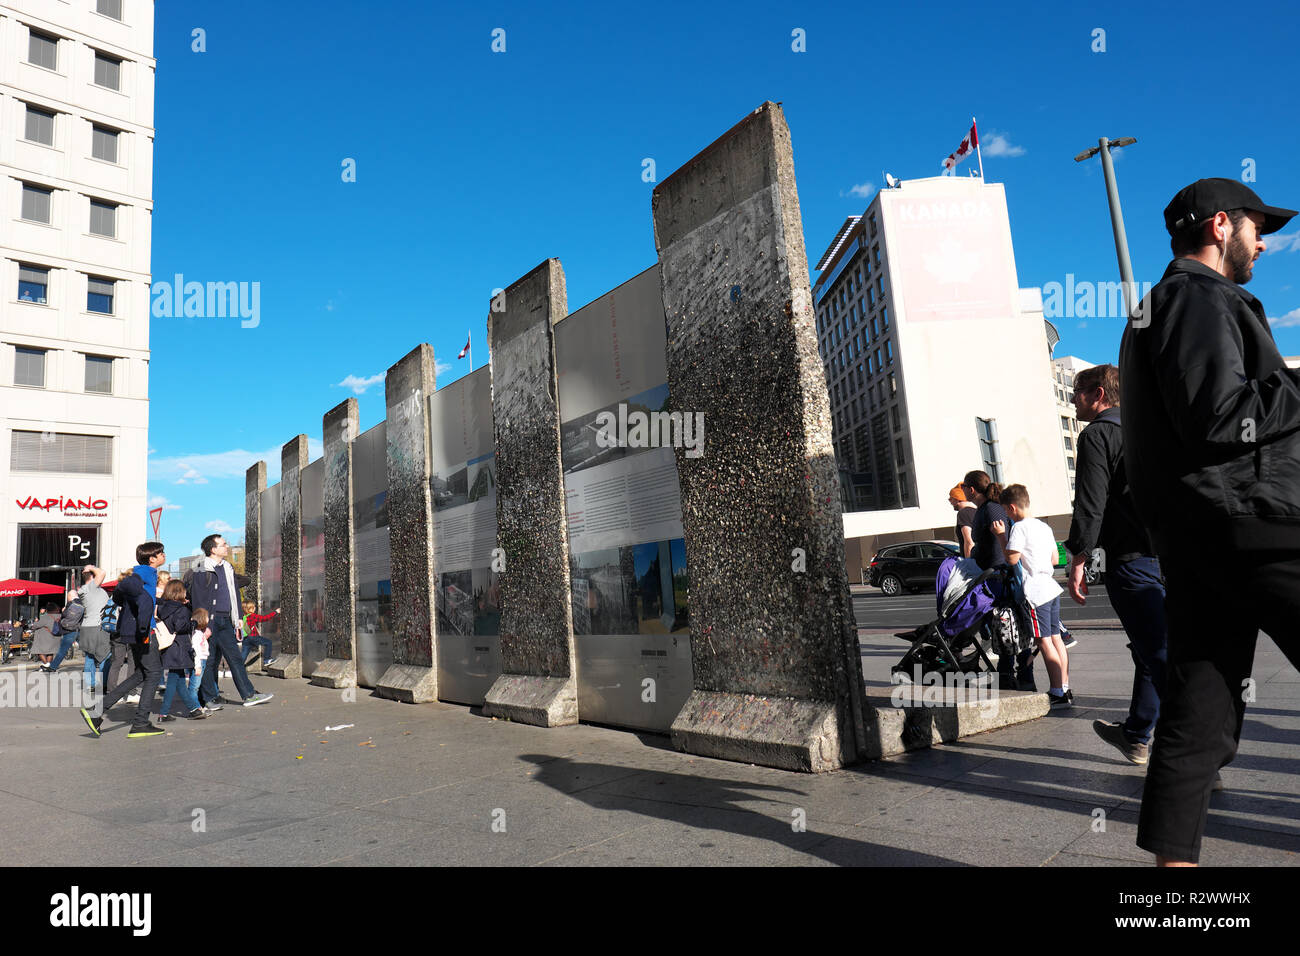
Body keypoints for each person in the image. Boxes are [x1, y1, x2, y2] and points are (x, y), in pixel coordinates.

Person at [1119, 178, 1300, 867]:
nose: (1264, 244)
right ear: (1221, 225)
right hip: (1255, 527)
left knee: (1199, 722)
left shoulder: (1151, 311)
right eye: (1259, 228)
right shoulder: (1197, 297)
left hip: (1199, 542)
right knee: (1198, 721)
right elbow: (1223, 416)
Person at [1061, 365, 1167, 762]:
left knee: (1158, 652)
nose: (1073, 400)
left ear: (1099, 394)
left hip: (1131, 560)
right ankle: (1137, 734)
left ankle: (1193, 750)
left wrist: (1078, 557)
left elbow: (1091, 502)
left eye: (1078, 392)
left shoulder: (1098, 435)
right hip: (1168, 557)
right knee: (1151, 647)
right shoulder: (1150, 430)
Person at [78, 541, 169, 739]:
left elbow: (123, 592)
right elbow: (127, 586)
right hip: (145, 633)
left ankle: (96, 711)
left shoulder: (144, 573)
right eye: (161, 553)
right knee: (154, 674)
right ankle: (140, 723)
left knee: (141, 674)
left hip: (136, 632)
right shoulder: (145, 572)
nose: (164, 556)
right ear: (152, 558)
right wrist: (144, 611)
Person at [993, 484, 1070, 707]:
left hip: (1035, 593)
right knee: (1057, 639)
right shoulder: (1044, 527)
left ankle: (1057, 692)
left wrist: (1000, 536)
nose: (1007, 515)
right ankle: (1065, 687)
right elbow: (1055, 559)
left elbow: (1011, 559)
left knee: (1044, 641)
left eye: (1006, 511)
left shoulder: (1019, 528)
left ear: (1012, 507)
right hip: (1051, 587)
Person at [190, 534, 272, 709]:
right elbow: (198, 598)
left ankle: (249, 695)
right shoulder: (201, 568)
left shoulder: (228, 567)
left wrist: (237, 618)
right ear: (213, 549)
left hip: (227, 620)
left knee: (234, 658)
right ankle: (209, 698)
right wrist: (203, 624)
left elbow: (234, 594)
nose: (227, 547)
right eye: (223, 544)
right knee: (209, 660)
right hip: (209, 622)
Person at [155, 580, 206, 722]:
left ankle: (190, 709)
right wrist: (194, 623)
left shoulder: (163, 607)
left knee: (176, 680)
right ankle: (187, 710)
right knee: (175, 680)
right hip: (180, 647)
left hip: (169, 647)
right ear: (180, 592)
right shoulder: (181, 609)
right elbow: (181, 626)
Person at [40, 590, 84, 673]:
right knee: (86, 647)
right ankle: (95, 662)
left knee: (62, 650)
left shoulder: (71, 604)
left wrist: (63, 611)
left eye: (68, 597)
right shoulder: (82, 604)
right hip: (78, 629)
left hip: (69, 630)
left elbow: (65, 615)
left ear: (70, 596)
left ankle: (53, 667)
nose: (67, 599)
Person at [241, 601, 278, 667]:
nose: (255, 608)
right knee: (268, 642)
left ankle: (237, 667)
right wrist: (276, 612)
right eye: (254, 607)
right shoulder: (252, 616)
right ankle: (267, 659)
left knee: (244, 655)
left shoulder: (244, 617)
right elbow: (265, 618)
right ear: (250, 609)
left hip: (246, 638)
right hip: (253, 637)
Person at [949, 484, 977, 558]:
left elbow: (969, 541)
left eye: (951, 498)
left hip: (973, 563)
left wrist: (968, 564)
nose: (949, 501)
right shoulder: (976, 511)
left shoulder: (963, 513)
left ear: (957, 498)